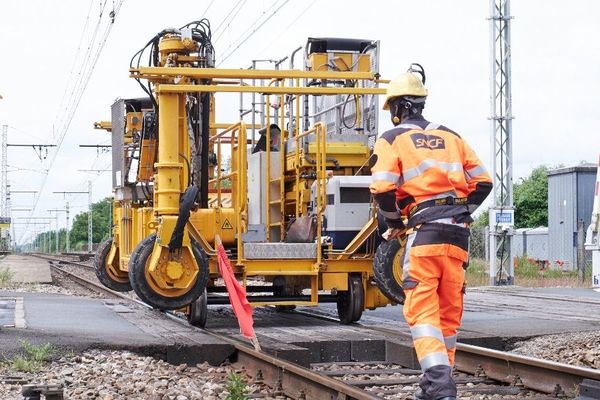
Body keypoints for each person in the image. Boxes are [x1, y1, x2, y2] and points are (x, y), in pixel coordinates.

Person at [369, 64, 492, 400]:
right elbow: (484, 182)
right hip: (458, 235)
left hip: (423, 234)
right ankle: (435, 387)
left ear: (396, 108)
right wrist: (461, 209)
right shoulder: (452, 136)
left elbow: (381, 189)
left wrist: (394, 222)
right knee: (447, 313)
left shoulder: (392, 139)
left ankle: (439, 387)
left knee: (422, 312)